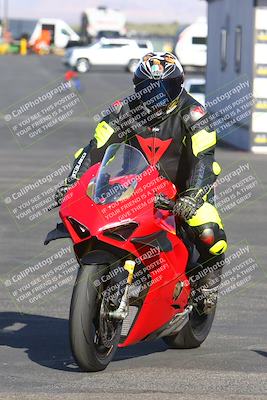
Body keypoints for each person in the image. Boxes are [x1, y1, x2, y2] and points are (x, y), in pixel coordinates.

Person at [55, 52, 227, 313]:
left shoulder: (194, 113)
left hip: (184, 189)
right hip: (134, 186)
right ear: (137, 87)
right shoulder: (122, 111)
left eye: (164, 88)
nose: (155, 96)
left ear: (178, 85)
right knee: (94, 217)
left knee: (208, 231)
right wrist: (73, 182)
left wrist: (191, 196)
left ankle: (207, 284)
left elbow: (204, 158)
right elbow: (95, 148)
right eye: (147, 88)